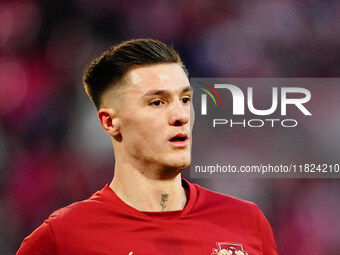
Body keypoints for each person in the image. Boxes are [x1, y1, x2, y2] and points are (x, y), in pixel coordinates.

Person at [16, 39, 278, 255]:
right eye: (157, 102)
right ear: (110, 122)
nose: (181, 116)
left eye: (185, 99)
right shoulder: (64, 237)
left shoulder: (246, 221)